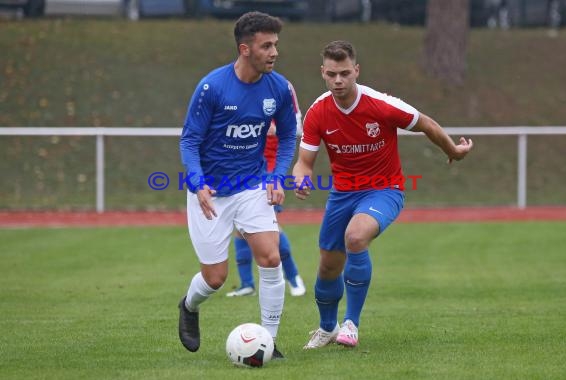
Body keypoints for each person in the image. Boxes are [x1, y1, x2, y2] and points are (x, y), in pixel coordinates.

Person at [292, 40, 473, 349]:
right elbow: (304, 162)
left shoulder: (381, 104)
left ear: (356, 71)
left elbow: (426, 124)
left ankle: (351, 324)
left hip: (384, 190)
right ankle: (327, 328)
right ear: (323, 72)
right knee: (328, 265)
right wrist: (301, 179)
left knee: (356, 237)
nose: (338, 81)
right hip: (342, 194)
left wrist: (453, 150)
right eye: (332, 74)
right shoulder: (318, 112)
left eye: (345, 73)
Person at [178, 11, 298, 358]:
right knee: (215, 278)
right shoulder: (212, 87)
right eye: (266, 45)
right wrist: (197, 183)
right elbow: (189, 141)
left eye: (276, 44)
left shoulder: (278, 87)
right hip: (211, 192)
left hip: (252, 184)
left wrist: (277, 176)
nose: (274, 52)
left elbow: (289, 134)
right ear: (245, 49)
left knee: (271, 257)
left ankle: (269, 341)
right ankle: (188, 306)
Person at [227, 85, 306, 298]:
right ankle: (247, 284)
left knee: (271, 228)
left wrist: (273, 128)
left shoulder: (283, 89)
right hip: (242, 171)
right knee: (240, 228)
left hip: (269, 171)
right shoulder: (237, 90)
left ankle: (293, 276)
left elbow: (295, 125)